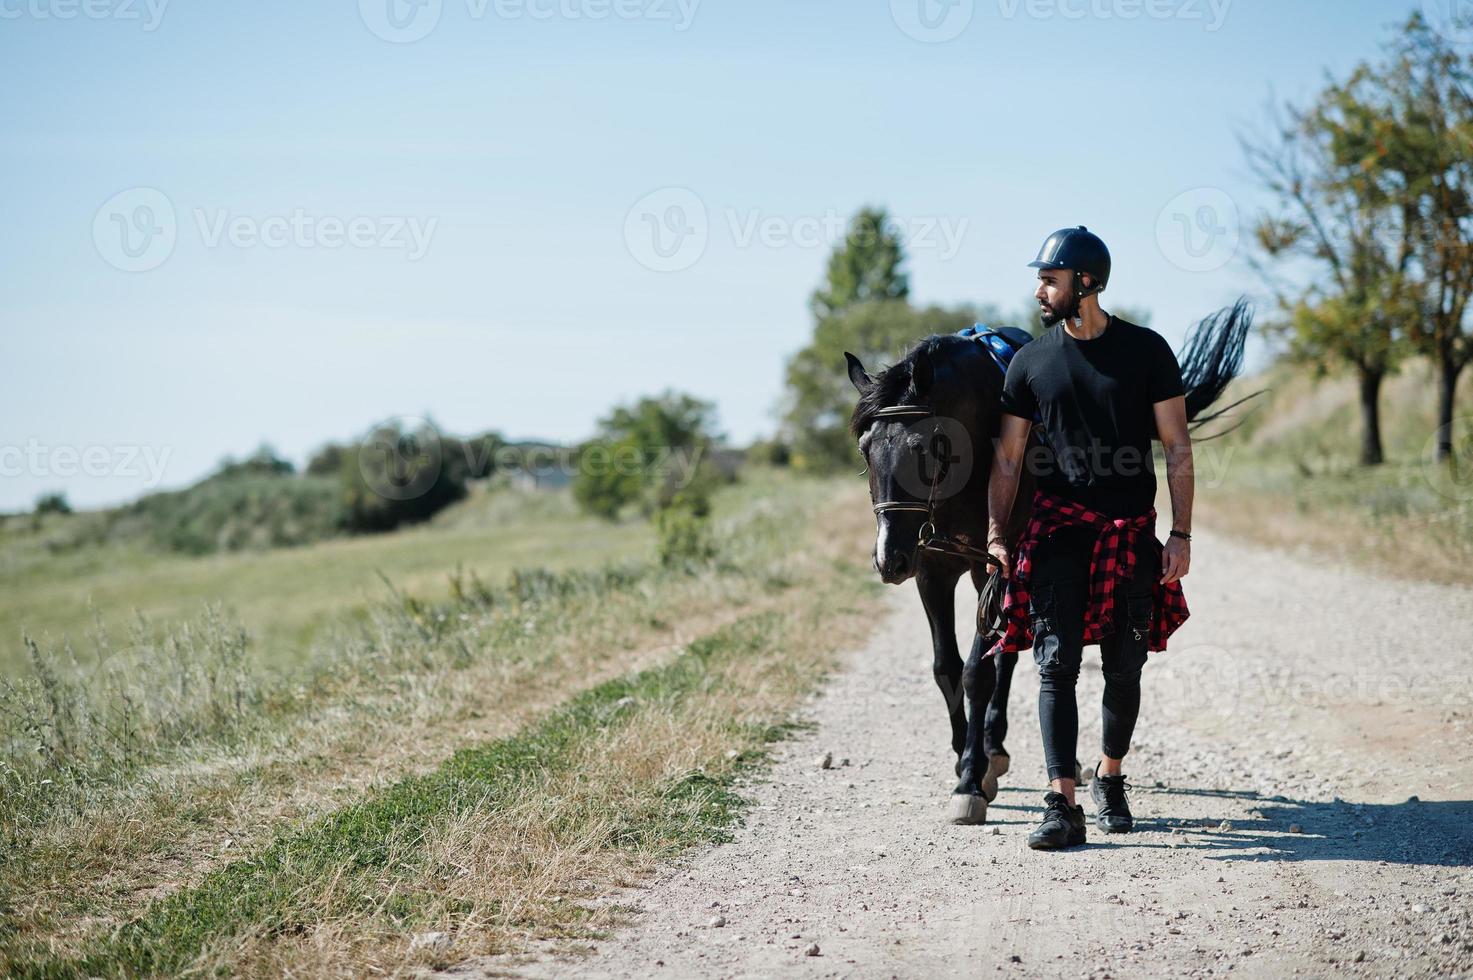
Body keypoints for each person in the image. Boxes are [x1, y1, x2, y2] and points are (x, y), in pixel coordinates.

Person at [984, 226, 1194, 850]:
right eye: (1041, 279)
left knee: (1124, 667)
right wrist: (998, 536)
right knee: (1055, 664)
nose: (1039, 290)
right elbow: (1006, 459)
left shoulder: (1147, 351)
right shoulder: (1031, 362)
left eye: (1049, 278)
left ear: (1087, 283)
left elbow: (1178, 447)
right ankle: (1061, 801)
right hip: (1056, 531)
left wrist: (1180, 533)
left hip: (1130, 530)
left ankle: (1110, 776)